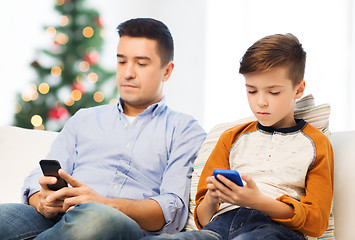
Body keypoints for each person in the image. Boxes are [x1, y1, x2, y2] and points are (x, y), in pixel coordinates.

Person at [0, 18, 206, 240]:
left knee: (98, 219)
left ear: (167, 71)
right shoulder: (84, 119)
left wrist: (105, 204)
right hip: (60, 218)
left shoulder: (185, 130)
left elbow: (171, 209)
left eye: (141, 63)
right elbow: (39, 176)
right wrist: (41, 199)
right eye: (121, 61)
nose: (128, 73)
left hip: (117, 225)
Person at [142, 34, 334, 240]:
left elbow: (317, 222)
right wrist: (212, 198)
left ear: (299, 89)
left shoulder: (316, 143)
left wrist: (258, 201)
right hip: (219, 227)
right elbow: (203, 218)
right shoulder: (231, 138)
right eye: (252, 91)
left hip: (275, 230)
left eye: (274, 92)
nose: (261, 102)